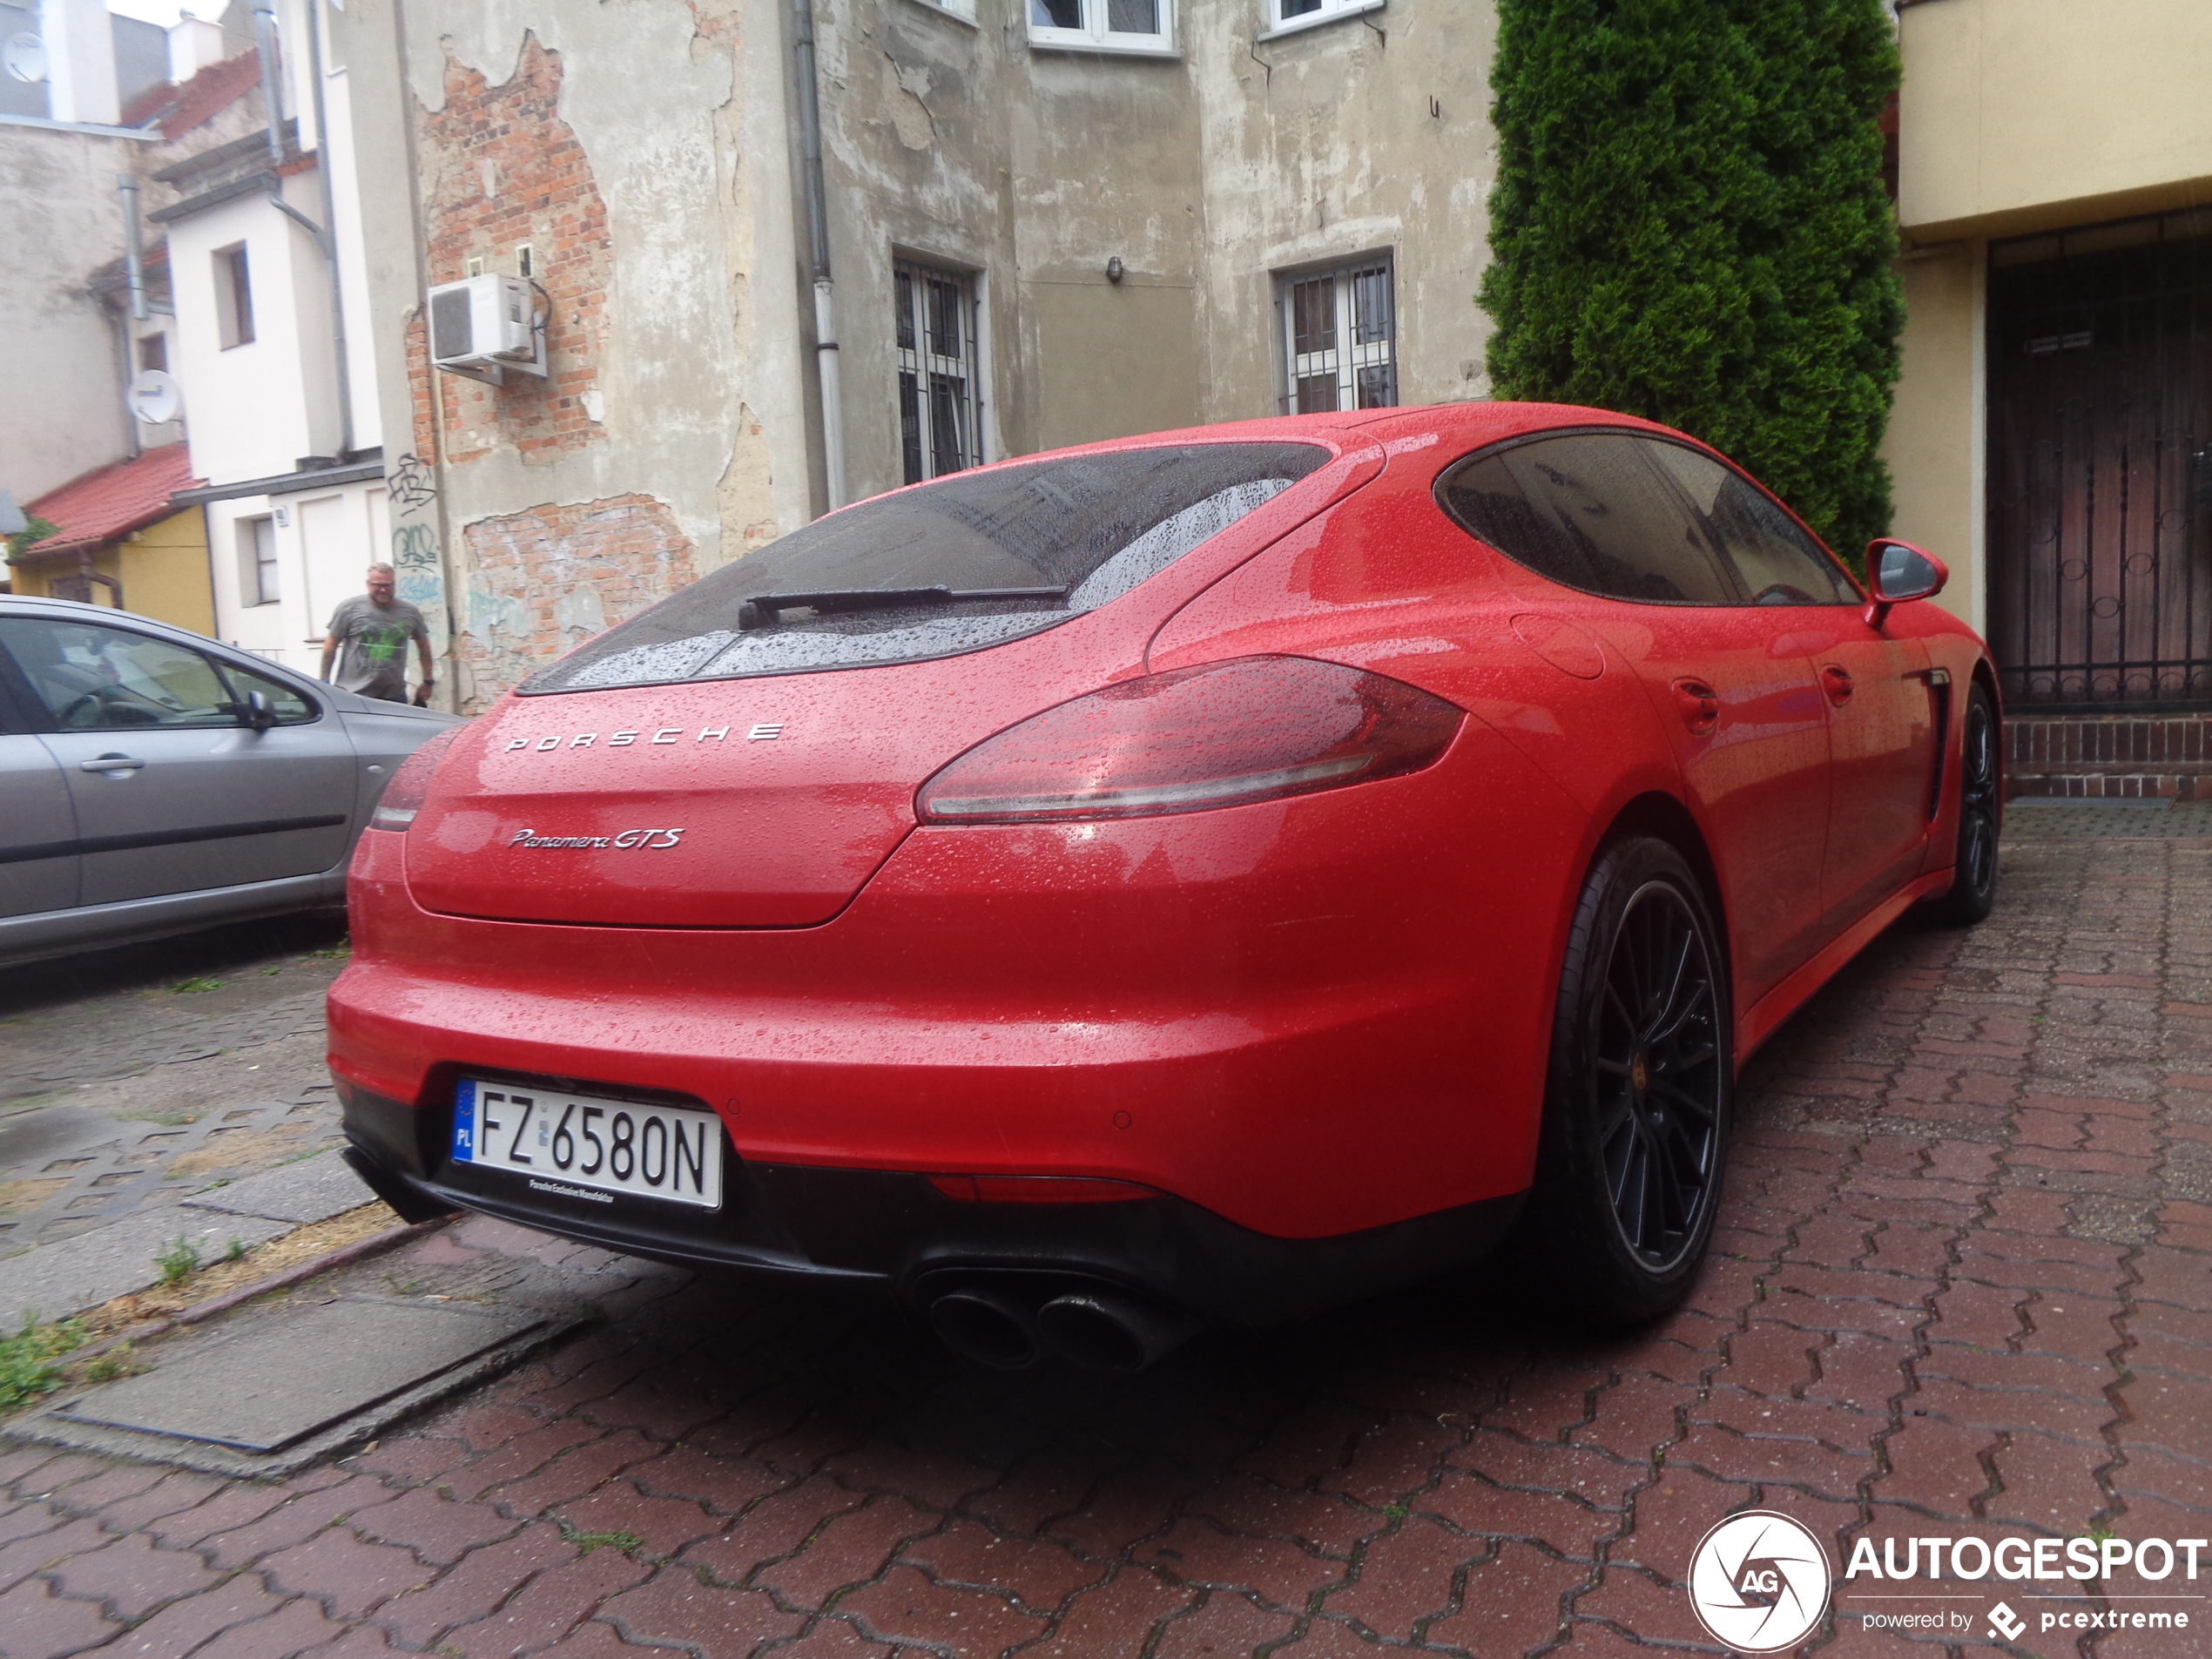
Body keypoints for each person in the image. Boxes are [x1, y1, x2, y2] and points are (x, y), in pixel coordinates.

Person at [320, 563, 435, 705]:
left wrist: (428, 682)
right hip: (353, 694)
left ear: (394, 584)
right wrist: (324, 682)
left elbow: (424, 648)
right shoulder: (349, 608)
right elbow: (330, 647)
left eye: (388, 585)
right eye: (377, 585)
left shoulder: (409, 612)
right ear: (368, 584)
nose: (383, 590)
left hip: (394, 695)